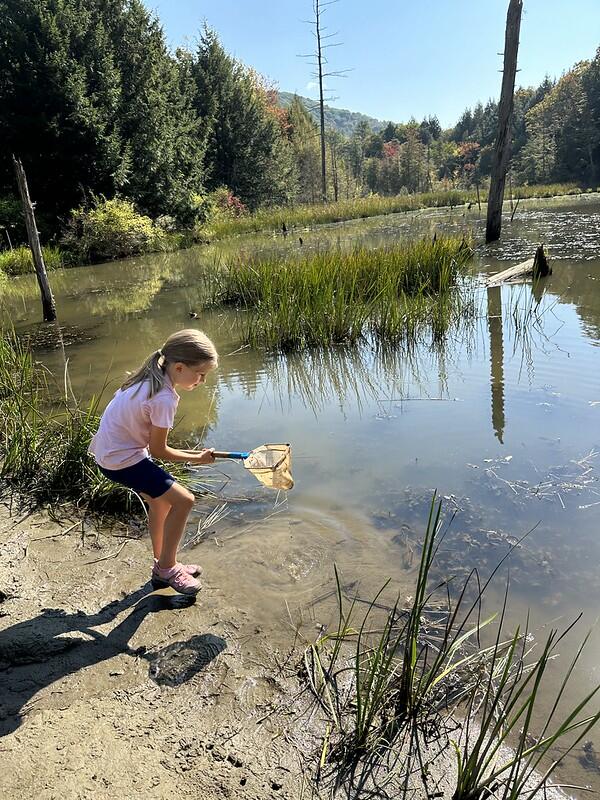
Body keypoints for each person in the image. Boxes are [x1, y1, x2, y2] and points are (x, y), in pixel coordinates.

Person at [89, 329, 218, 596]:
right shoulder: (164, 397)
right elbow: (159, 450)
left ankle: (162, 563)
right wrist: (199, 458)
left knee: (160, 501)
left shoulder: (148, 377)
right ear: (180, 368)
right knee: (185, 500)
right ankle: (168, 568)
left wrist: (196, 456)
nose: (203, 381)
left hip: (110, 453)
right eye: (201, 374)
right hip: (122, 460)